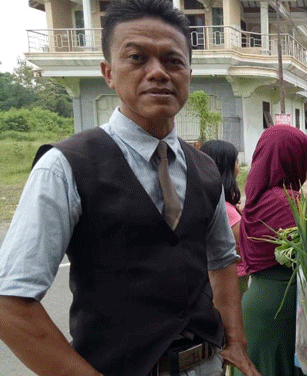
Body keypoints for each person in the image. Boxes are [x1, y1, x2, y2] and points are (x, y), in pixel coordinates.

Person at [0, 1, 260, 375]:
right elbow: (12, 303)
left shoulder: (204, 169)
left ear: (189, 72)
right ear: (108, 72)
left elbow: (222, 260)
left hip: (205, 366)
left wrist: (235, 340)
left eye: (173, 61)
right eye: (137, 58)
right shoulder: (66, 165)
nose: (158, 73)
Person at [236, 125, 307, 376]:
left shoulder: (259, 198)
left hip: (259, 300)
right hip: (282, 308)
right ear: (291, 158)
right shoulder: (287, 200)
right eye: (306, 157)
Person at [200, 140, 249, 297]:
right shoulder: (226, 210)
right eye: (236, 161)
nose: (239, 166)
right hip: (234, 282)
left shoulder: (204, 200)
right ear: (227, 166)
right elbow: (242, 248)